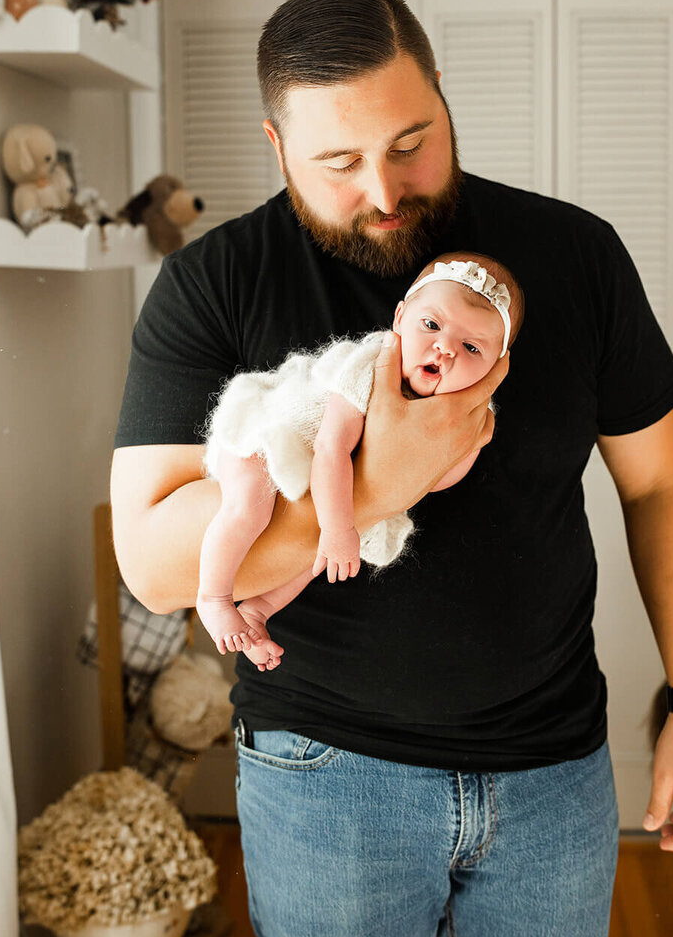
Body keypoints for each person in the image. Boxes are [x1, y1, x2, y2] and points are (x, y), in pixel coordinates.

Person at [111, 0, 673, 937]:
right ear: (275, 147)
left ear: (440, 95)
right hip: (324, 780)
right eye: (339, 163)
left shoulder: (574, 257)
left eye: (409, 142)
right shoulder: (212, 284)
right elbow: (150, 561)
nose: (385, 191)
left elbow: (659, 485)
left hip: (551, 778)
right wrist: (370, 486)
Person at [196, 252, 524, 668]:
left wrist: (464, 443)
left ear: (496, 368)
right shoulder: (370, 365)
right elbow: (332, 448)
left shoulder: (467, 414)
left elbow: (432, 480)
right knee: (253, 507)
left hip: (336, 483)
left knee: (319, 556)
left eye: (471, 346)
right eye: (431, 324)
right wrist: (338, 526)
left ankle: (257, 611)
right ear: (400, 318)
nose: (444, 348)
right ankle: (213, 597)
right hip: (273, 435)